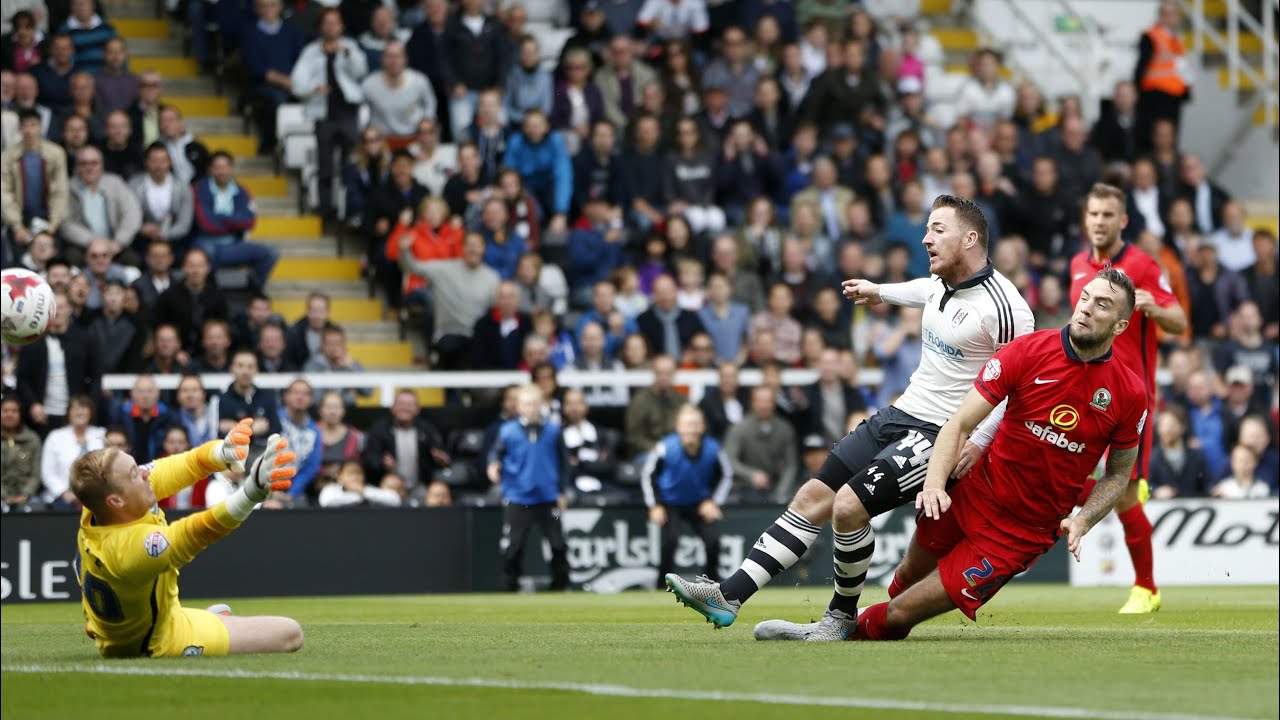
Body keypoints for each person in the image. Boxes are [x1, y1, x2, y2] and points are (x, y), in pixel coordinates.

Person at [665, 195, 1034, 635]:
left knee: (846, 507)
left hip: (941, 436)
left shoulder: (1006, 307)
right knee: (810, 499)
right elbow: (922, 290)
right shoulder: (941, 283)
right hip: (900, 413)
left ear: (970, 238)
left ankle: (839, 618)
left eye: (938, 230)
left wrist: (978, 441)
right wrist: (878, 292)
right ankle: (729, 596)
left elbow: (1017, 388)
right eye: (927, 229)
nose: (925, 238)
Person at [779, 269, 1145, 642]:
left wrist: (1083, 519)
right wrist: (935, 486)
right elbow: (958, 424)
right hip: (971, 493)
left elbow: (1118, 475)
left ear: (1119, 326)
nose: (1086, 309)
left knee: (899, 616)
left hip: (1019, 534)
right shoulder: (1028, 351)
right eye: (1085, 297)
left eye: (1102, 305)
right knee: (905, 576)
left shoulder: (1130, 392)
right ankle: (839, 624)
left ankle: (840, 628)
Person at [1053, 183, 1185, 613]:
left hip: (1130, 403)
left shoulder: (1143, 266)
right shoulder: (1076, 265)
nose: (1099, 222)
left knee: (1125, 496)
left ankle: (1147, 589)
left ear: (1123, 220)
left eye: (1108, 215)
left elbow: (1180, 320)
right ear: (1085, 218)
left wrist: (1154, 307)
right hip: (1085, 397)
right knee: (1060, 471)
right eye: (1093, 214)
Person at [70, 417, 304, 657]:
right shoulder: (129, 548)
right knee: (290, 633)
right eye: (133, 473)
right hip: (158, 641)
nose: (143, 472)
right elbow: (195, 532)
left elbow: (177, 467)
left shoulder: (101, 504)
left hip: (142, 616)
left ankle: (108, 624)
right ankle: (210, 622)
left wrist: (221, 452)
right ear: (116, 501)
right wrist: (250, 494)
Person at [487, 384, 569, 592]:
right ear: (518, 407)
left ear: (542, 405)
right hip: (518, 496)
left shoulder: (553, 430)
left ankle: (560, 585)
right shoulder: (507, 431)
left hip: (548, 496)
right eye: (526, 404)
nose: (531, 408)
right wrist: (493, 465)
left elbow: (564, 463)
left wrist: (562, 491)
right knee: (512, 545)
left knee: (557, 543)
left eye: (534, 404)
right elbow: (495, 454)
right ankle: (509, 585)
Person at [291, 8, 368, 222]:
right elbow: (297, 83)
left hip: (347, 112)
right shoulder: (311, 52)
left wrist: (347, 54)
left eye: (335, 23)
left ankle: (350, 209)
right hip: (323, 114)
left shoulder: (351, 47)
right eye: (327, 23)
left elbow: (361, 72)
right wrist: (314, 88)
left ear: (342, 26)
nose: (331, 27)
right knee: (325, 167)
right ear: (321, 27)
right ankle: (326, 212)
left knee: (350, 165)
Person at [642, 404, 731, 588]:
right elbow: (647, 474)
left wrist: (714, 502)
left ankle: (711, 586)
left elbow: (726, 475)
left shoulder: (714, 449)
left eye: (695, 424)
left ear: (702, 427)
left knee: (713, 541)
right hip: (670, 503)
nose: (691, 429)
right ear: (678, 427)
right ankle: (662, 585)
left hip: (700, 503)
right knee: (670, 541)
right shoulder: (665, 447)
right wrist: (655, 505)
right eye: (687, 424)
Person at [192, 152, 278, 289]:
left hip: (233, 244)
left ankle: (252, 291)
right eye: (217, 167)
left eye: (225, 167)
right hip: (205, 242)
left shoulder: (241, 191)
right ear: (210, 169)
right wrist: (233, 222)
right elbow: (205, 223)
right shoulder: (199, 188)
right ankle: (209, 293)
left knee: (269, 253)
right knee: (205, 254)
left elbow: (249, 221)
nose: (221, 171)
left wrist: (220, 218)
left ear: (231, 169)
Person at [724, 385, 798, 503]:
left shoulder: (785, 429)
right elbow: (729, 461)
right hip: (743, 488)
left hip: (775, 487)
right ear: (752, 403)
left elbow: (791, 465)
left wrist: (781, 491)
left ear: (774, 403)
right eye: (759, 401)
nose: (763, 405)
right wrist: (751, 475)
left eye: (767, 401)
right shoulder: (739, 428)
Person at [360, 389, 448, 488]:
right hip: (387, 489)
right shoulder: (379, 430)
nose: (405, 408)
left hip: (420, 487)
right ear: (392, 407)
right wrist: (382, 463)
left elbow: (441, 457)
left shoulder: (428, 430)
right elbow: (368, 459)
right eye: (401, 404)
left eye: (410, 404)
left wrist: (442, 460)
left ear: (418, 408)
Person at [1134, 0, 1190, 152]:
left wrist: (1186, 92)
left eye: (1173, 14)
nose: (1170, 18)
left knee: (1171, 138)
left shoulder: (1176, 40)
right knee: (1155, 137)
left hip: (1173, 96)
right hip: (1156, 96)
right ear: (1160, 16)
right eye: (1166, 14)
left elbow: (1181, 68)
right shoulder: (1151, 36)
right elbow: (1141, 68)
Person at [40, 394, 105, 507]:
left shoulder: (102, 434)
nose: (79, 412)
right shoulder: (55, 437)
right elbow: (47, 472)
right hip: (61, 499)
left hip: (97, 499)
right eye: (75, 408)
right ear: (68, 413)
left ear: (91, 412)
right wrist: (64, 493)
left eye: (84, 408)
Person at [278, 379, 322, 500]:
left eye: (305, 394)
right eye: (295, 392)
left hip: (294, 491)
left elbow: (310, 468)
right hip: (263, 486)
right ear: (286, 396)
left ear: (311, 400)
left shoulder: (314, 432)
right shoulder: (274, 421)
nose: (300, 397)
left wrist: (291, 494)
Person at [1, 396, 43, 505]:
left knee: (38, 507)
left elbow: (35, 474)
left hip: (27, 495)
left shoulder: (32, 439)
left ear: (21, 414)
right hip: (2, 495)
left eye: (14, 411)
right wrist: (4, 496)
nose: (9, 414)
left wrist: (25, 494)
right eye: (5, 411)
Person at [319, 460, 402, 507]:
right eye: (350, 473)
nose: (355, 477)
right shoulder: (331, 489)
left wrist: (363, 491)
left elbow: (395, 499)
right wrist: (360, 497)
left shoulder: (368, 490)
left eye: (358, 473)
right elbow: (326, 502)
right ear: (340, 477)